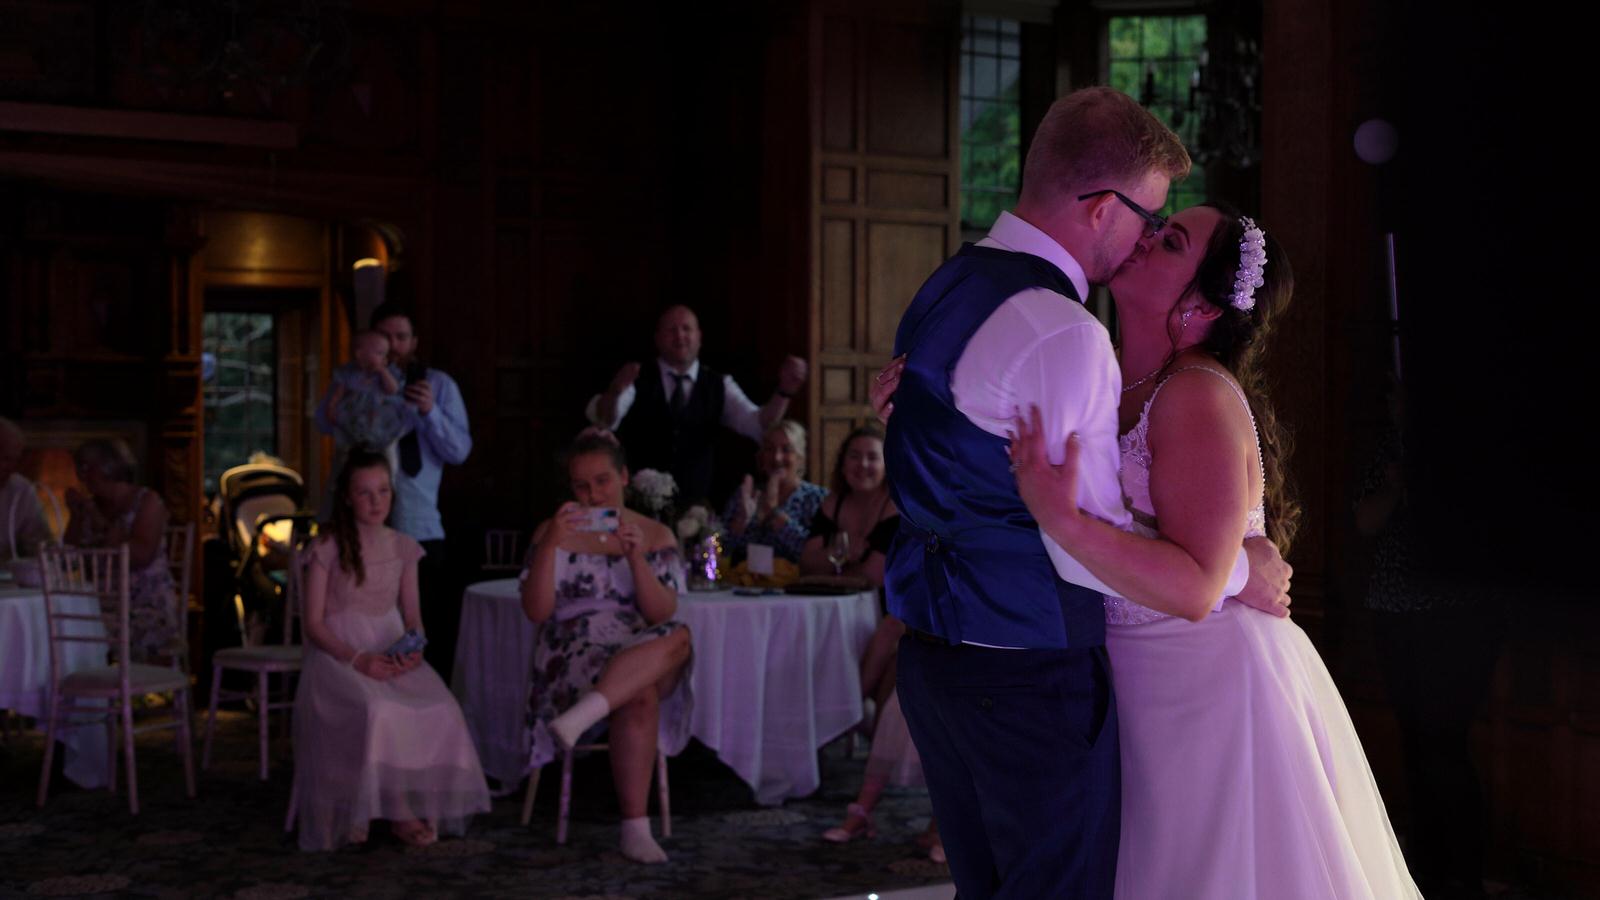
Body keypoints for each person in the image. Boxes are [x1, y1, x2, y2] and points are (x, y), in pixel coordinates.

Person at [871, 87, 1291, 899]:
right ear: (1102, 209)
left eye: (1165, 239)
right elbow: (1076, 548)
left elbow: (958, 462)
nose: (1140, 245)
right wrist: (1241, 570)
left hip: (959, 663)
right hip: (1029, 673)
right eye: (1151, 220)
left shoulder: (953, 281)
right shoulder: (1065, 335)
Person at [1008, 205, 1420, 898]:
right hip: (1141, 681)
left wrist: (1064, 521)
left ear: (1198, 304)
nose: (1142, 240)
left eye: (1168, 242)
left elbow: (1197, 585)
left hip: (1213, 694)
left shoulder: (1194, 395)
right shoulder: (1110, 376)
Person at [292, 448, 490, 851]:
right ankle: (397, 809)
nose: (376, 501)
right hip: (340, 653)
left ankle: (413, 798)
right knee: (376, 709)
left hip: (389, 645)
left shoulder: (403, 546)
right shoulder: (328, 547)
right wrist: (358, 659)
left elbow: (413, 615)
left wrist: (413, 648)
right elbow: (313, 624)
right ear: (347, 497)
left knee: (443, 707)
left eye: (382, 491)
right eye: (364, 493)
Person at [521, 429, 694, 864]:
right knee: (639, 693)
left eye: (602, 481)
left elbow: (661, 613)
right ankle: (635, 827)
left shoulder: (654, 534)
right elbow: (536, 611)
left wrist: (635, 557)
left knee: (681, 637)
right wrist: (549, 545)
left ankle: (583, 717)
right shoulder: (552, 531)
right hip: (571, 648)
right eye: (581, 485)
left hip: (635, 643)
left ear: (624, 477)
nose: (592, 494)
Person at [1356, 378, 1500, 900]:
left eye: (1401, 395)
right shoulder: (1389, 452)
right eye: (1389, 395)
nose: (1392, 403)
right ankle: (1425, 871)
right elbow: (1365, 522)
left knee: (1445, 744)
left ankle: (1465, 874)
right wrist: (1395, 485)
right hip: (1396, 614)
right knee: (1415, 742)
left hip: (1455, 620)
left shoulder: (1466, 454)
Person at [317, 285, 473, 675]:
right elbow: (322, 421)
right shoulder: (353, 382)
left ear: (414, 342)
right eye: (385, 337)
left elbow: (459, 452)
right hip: (357, 529)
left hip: (417, 525)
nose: (394, 345)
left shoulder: (437, 386)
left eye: (401, 337)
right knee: (363, 630)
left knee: (423, 636)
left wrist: (430, 412)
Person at [587, 304, 808, 506]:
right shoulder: (637, 377)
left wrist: (784, 391)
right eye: (671, 330)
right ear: (657, 338)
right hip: (640, 507)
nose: (680, 336)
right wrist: (615, 391)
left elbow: (759, 426)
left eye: (686, 329)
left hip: (697, 512)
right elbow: (606, 421)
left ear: (699, 337)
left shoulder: (720, 384)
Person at [62, 439, 181, 663]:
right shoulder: (90, 506)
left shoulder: (147, 502)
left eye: (88, 468)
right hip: (98, 605)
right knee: (60, 626)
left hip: (144, 607)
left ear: (110, 467)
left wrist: (104, 530)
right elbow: (71, 557)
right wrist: (77, 517)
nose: (81, 475)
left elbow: (140, 556)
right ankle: (85, 695)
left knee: (77, 633)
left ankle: (105, 693)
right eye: (80, 468)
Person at [720, 419, 827, 565]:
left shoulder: (817, 498)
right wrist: (741, 521)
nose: (777, 458)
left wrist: (774, 513)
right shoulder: (745, 494)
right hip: (744, 584)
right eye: (770, 449)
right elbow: (720, 554)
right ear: (762, 457)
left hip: (796, 585)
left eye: (787, 449)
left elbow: (818, 557)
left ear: (800, 458)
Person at [323, 329, 408, 482]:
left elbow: (393, 389)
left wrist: (382, 371)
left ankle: (391, 482)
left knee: (389, 453)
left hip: (381, 425)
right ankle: (346, 480)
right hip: (356, 423)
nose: (385, 359)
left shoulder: (385, 374)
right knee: (347, 453)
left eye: (385, 354)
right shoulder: (349, 374)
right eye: (380, 353)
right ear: (360, 354)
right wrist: (332, 407)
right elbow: (338, 393)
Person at [0, 417, 52, 563]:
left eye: (14, 460)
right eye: (4, 458)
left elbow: (38, 540)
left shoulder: (20, 489)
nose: (10, 467)